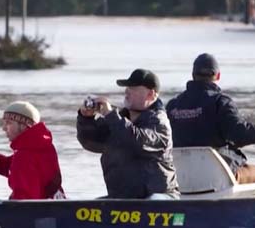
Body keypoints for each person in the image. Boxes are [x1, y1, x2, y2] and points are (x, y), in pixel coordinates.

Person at [166, 53, 255, 194]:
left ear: (192, 75)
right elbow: (239, 133)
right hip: (219, 179)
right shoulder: (221, 102)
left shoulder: (172, 106)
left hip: (183, 180)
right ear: (218, 76)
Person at [76, 68, 179, 199]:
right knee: (90, 208)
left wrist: (111, 115)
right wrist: (86, 118)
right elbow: (91, 142)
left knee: (153, 201)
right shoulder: (118, 120)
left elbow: (137, 142)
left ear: (151, 94)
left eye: (133, 88)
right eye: (127, 87)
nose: (126, 92)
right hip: (124, 200)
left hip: (161, 198)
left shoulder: (159, 123)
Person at [0, 101, 65, 200]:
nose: (4, 128)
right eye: (4, 123)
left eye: (8, 123)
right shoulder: (41, 147)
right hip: (54, 206)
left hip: (35, 213)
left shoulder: (24, 155)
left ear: (25, 125)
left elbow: (25, 199)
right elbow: (8, 167)